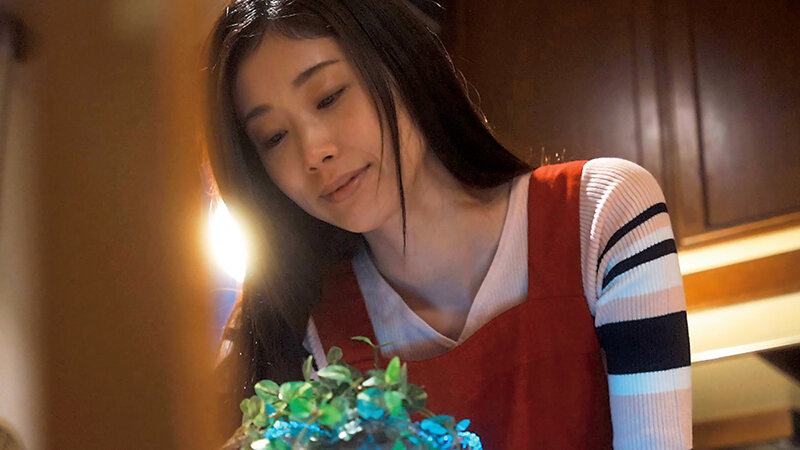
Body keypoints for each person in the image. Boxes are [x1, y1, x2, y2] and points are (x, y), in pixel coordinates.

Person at [206, 0, 692, 448]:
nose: (314, 152)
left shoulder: (600, 213)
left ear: (399, 61)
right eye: (273, 137)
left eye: (329, 96)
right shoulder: (310, 327)